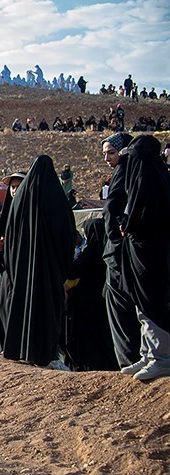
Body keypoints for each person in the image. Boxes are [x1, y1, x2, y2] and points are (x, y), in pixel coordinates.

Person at [1, 155, 75, 368]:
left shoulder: (19, 201)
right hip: (48, 271)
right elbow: (66, 236)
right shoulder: (55, 199)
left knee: (23, 308)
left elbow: (10, 239)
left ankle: (20, 349)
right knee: (47, 311)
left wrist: (15, 266)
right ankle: (45, 353)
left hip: (22, 272)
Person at [117, 135, 170, 381]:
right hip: (141, 252)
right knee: (142, 302)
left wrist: (128, 225)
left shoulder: (150, 180)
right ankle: (148, 353)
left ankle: (162, 358)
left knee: (152, 301)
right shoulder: (148, 178)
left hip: (152, 254)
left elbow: (144, 215)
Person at [101, 132, 142, 369]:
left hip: (121, 251)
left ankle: (131, 359)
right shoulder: (122, 171)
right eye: (104, 153)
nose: (107, 157)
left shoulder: (127, 171)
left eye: (112, 152)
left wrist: (117, 234)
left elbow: (115, 209)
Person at [64, 218, 118, 371]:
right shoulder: (107, 249)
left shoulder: (91, 251)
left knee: (89, 338)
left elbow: (74, 270)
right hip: (103, 298)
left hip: (87, 303)